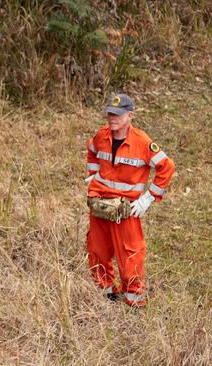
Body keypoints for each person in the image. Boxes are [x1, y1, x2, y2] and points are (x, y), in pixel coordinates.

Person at [85, 93, 175, 307]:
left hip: (126, 210)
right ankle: (106, 292)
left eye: (117, 114)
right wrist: (92, 176)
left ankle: (134, 301)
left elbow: (167, 167)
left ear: (130, 115)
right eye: (109, 113)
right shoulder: (101, 136)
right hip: (100, 205)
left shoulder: (142, 142)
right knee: (97, 250)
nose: (112, 117)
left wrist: (148, 198)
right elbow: (92, 151)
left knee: (130, 255)